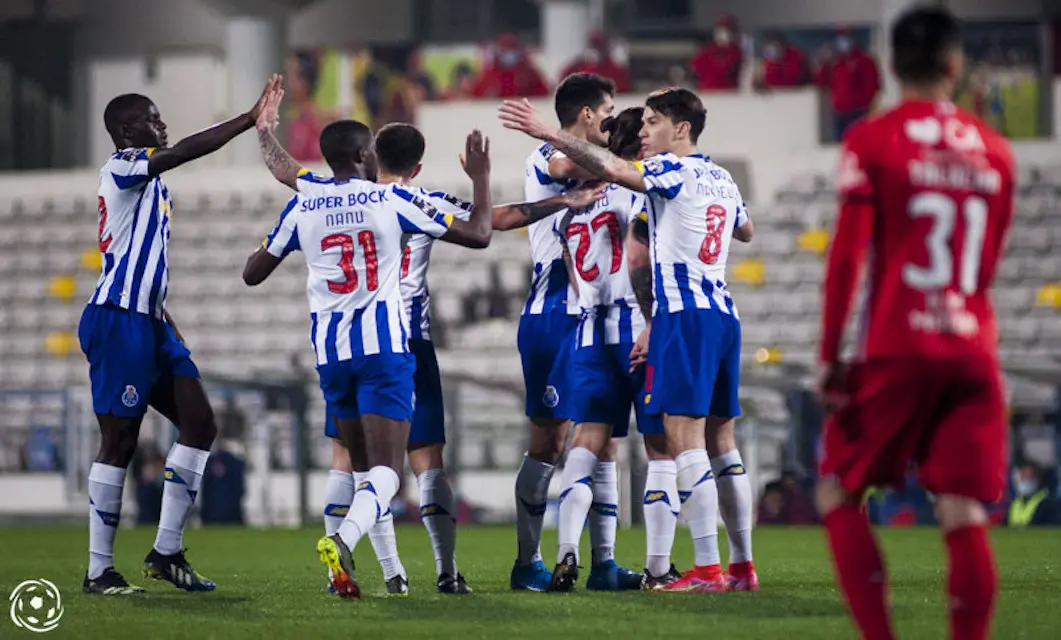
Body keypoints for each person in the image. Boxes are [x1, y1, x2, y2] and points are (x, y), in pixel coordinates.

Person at [499, 85, 756, 594]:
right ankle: (730, 565)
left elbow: (621, 226)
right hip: (720, 312)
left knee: (635, 443)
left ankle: (694, 569)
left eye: (653, 123)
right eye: (640, 127)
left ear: (680, 129)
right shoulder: (722, 176)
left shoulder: (637, 181)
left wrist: (548, 134)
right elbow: (744, 230)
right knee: (710, 443)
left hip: (632, 322)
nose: (645, 133)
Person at [250, 79, 496, 599]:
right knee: (389, 473)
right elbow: (479, 234)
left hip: (331, 356)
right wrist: (480, 178)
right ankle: (341, 541)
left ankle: (391, 575)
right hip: (384, 350)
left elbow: (254, 271)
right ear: (364, 154)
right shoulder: (391, 200)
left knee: (355, 466)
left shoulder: (306, 202)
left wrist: (264, 131)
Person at [814, 8, 1016, 640]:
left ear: (892, 67)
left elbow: (848, 254)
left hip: (901, 342)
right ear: (956, 66)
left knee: (838, 492)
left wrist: (829, 355)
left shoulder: (873, 140)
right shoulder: (998, 152)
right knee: (960, 508)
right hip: (973, 345)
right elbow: (986, 262)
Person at [377, 122, 607, 594]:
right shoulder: (423, 201)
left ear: (371, 157)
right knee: (428, 463)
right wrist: (492, 181)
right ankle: (445, 572)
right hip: (409, 342)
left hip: (354, 343)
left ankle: (389, 572)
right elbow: (492, 223)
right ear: (417, 167)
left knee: (361, 463)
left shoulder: (344, 200)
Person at [79, 75, 279, 596]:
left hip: (151, 321)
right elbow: (189, 150)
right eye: (151, 117)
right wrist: (248, 118)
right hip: (117, 320)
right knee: (119, 440)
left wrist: (165, 319)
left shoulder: (152, 184)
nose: (162, 125)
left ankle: (167, 549)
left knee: (200, 423)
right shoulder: (121, 167)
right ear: (126, 131)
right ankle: (99, 570)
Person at [505, 73, 639, 592]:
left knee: (603, 441)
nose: (613, 117)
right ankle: (527, 560)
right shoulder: (547, 155)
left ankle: (603, 562)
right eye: (609, 108)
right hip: (554, 311)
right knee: (549, 440)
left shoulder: (611, 171)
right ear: (587, 114)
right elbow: (563, 164)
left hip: (598, 313)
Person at [548, 107, 663, 592]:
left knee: (587, 444)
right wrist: (654, 321)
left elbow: (573, 276)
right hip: (637, 329)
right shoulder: (640, 194)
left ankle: (567, 550)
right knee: (662, 448)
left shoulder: (572, 204)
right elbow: (645, 259)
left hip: (590, 333)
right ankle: (660, 567)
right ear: (637, 146)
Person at [813, 28, 881, 140]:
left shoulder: (864, 60)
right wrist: (823, 63)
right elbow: (821, 81)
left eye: (847, 37)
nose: (843, 41)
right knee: (841, 143)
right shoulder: (834, 61)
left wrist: (866, 104)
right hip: (839, 111)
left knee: (861, 141)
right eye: (841, 37)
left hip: (859, 111)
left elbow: (873, 85)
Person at [472, 33, 550, 99]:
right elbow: (475, 95)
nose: (509, 54)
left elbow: (544, 94)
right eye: (505, 50)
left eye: (511, 49)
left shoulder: (529, 73)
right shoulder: (490, 73)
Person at [560, 32, 632, 94]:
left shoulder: (616, 69)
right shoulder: (578, 68)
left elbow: (623, 88)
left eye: (600, 46)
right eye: (593, 46)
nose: (597, 50)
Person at [690, 15, 743, 91]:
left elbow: (728, 68)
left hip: (729, 93)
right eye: (719, 30)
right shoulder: (707, 50)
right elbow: (694, 68)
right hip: (708, 92)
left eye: (726, 31)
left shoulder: (736, 51)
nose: (722, 34)